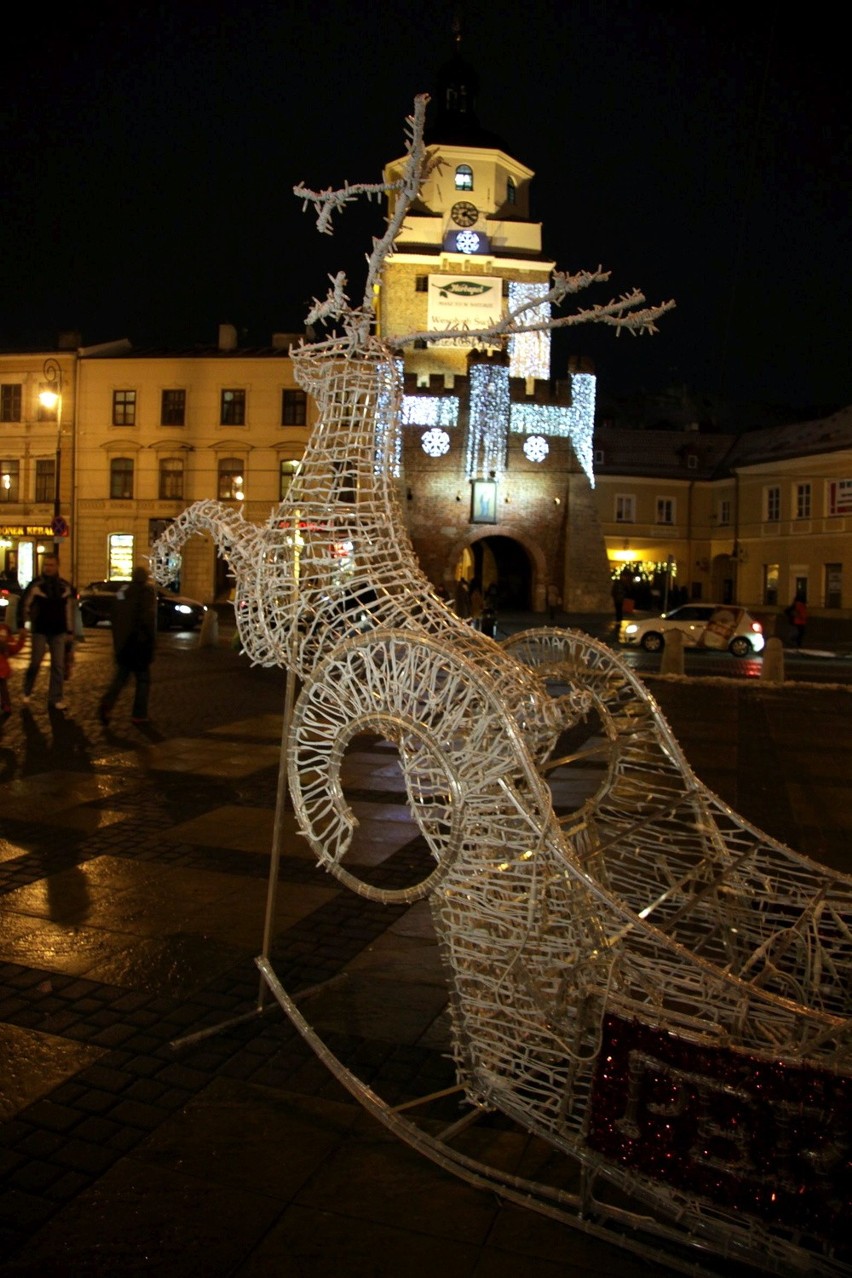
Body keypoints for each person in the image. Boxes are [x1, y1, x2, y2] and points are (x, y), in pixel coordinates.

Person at [99, 565, 158, 725]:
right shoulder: (146, 592)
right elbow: (147, 618)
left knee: (121, 677)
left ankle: (107, 702)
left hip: (123, 643)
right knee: (143, 679)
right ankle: (139, 714)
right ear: (145, 578)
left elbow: (115, 614)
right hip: (139, 644)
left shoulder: (122, 591)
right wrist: (151, 641)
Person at [22, 554, 76, 710]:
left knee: (58, 665)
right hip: (40, 629)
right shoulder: (36, 585)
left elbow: (69, 611)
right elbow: (25, 604)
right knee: (35, 663)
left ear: (57, 566)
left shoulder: (64, 587)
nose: (48, 567)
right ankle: (27, 691)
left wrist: (70, 631)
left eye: (51, 565)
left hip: (59, 631)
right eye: (46, 564)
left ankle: (55, 698)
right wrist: (22, 625)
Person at [0, 621, 25, 718]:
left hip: (1, 670)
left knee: (3, 688)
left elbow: (14, 648)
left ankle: (6, 704)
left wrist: (21, 639)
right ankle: (6, 704)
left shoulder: (6, 645)